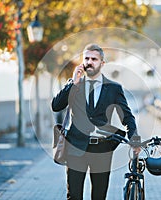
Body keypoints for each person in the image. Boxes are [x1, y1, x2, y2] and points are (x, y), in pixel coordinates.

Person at [51, 43, 137, 200]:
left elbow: (127, 116)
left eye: (94, 59)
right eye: (86, 58)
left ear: (102, 63)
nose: (89, 62)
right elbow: (56, 106)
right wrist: (72, 83)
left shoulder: (113, 88)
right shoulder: (75, 85)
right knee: (74, 196)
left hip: (102, 149)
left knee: (99, 196)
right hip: (76, 147)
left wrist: (134, 138)